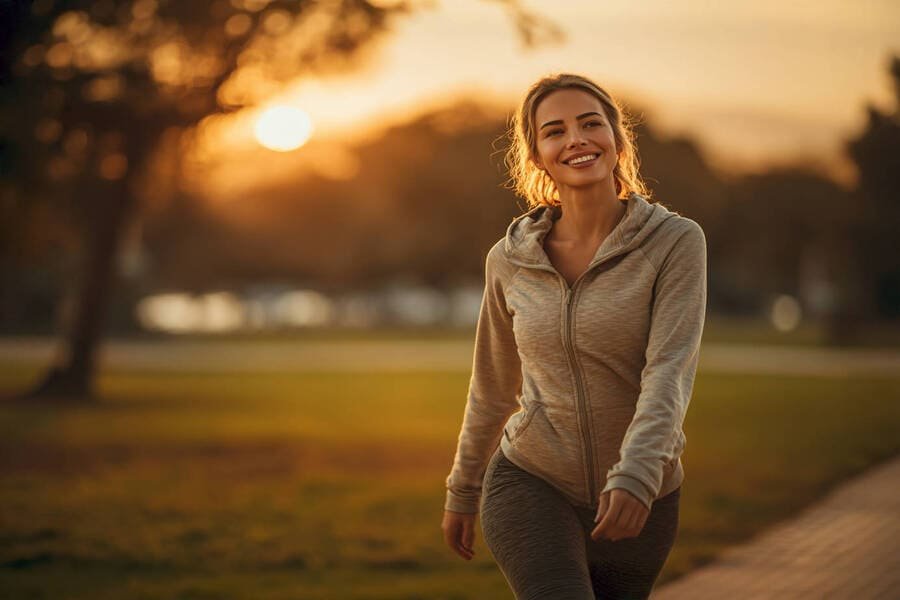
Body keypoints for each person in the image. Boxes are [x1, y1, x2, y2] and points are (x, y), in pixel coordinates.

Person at [440, 73, 707, 599]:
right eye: (555, 131)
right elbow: (492, 386)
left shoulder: (675, 242)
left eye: (591, 124)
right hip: (530, 478)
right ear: (538, 155)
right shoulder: (509, 259)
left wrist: (637, 473)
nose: (576, 140)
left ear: (618, 139)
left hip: (644, 489)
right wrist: (463, 487)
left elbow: (669, 372)